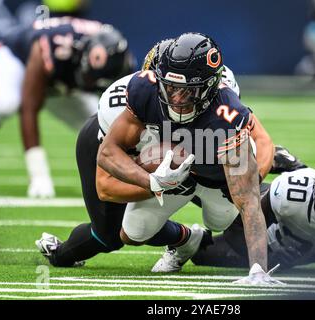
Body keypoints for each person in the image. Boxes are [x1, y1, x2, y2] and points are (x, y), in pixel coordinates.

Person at [96, 32, 284, 285]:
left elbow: (249, 202)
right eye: (170, 87)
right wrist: (152, 181)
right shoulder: (143, 90)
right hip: (172, 171)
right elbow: (107, 154)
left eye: (187, 91)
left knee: (219, 220)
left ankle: (277, 181)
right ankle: (185, 240)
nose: (176, 98)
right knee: (132, 233)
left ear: (210, 86)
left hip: (217, 174)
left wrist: (258, 270)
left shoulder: (226, 114)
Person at [0, 16, 135, 198]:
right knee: (5, 105)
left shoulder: (122, 63)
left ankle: (125, 176)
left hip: (60, 81)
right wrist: (39, 175)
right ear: (81, 54)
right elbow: (29, 108)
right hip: (16, 60)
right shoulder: (51, 47)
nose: (90, 84)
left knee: (100, 126)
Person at [192, 142, 315, 273]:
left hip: (298, 245)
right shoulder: (291, 193)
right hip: (272, 236)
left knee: (200, 252)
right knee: (219, 195)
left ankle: (293, 164)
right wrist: (268, 256)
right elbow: (236, 230)